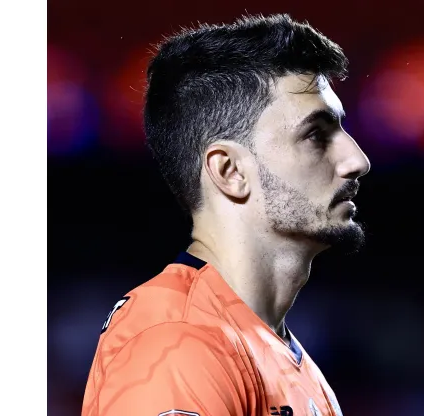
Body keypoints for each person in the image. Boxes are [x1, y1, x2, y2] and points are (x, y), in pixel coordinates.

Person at [82, 13, 371, 416]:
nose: (357, 160)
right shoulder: (177, 342)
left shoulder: (281, 355)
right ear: (229, 172)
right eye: (316, 135)